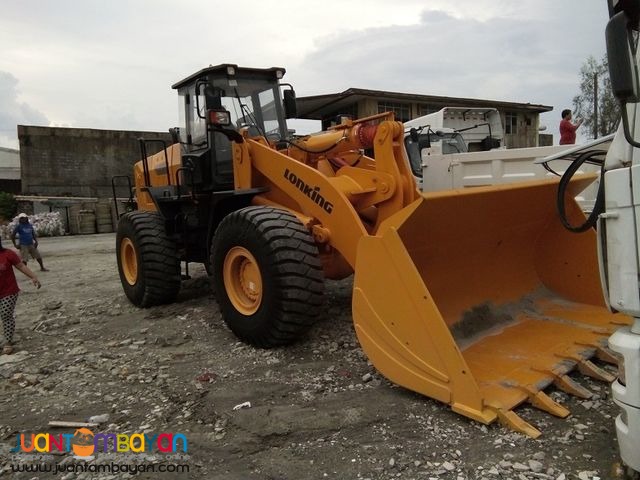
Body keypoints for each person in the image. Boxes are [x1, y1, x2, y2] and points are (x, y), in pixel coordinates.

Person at [0, 237, 41, 354]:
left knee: (6, 314)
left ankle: (8, 342)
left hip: (8, 291)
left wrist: (33, 276)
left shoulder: (8, 254)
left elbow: (21, 266)